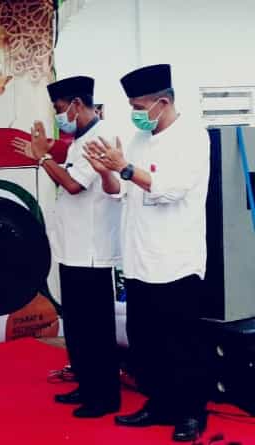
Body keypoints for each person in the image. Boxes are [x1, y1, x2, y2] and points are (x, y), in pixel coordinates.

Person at [83, 64, 210, 442]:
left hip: (175, 261)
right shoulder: (138, 140)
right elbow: (117, 192)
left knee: (181, 342)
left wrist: (124, 167)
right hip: (139, 260)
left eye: (139, 106)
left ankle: (190, 413)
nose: (135, 114)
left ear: (163, 102)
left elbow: (170, 189)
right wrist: (106, 172)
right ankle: (159, 404)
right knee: (146, 341)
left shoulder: (192, 136)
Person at [12, 76, 122, 418]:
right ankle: (87, 385)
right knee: (77, 326)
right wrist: (46, 155)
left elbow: (74, 185)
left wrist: (43, 158)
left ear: (76, 103)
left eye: (60, 109)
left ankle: (104, 397)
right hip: (73, 249)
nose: (59, 116)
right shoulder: (79, 140)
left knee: (95, 329)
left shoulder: (100, 138)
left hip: (92, 251)